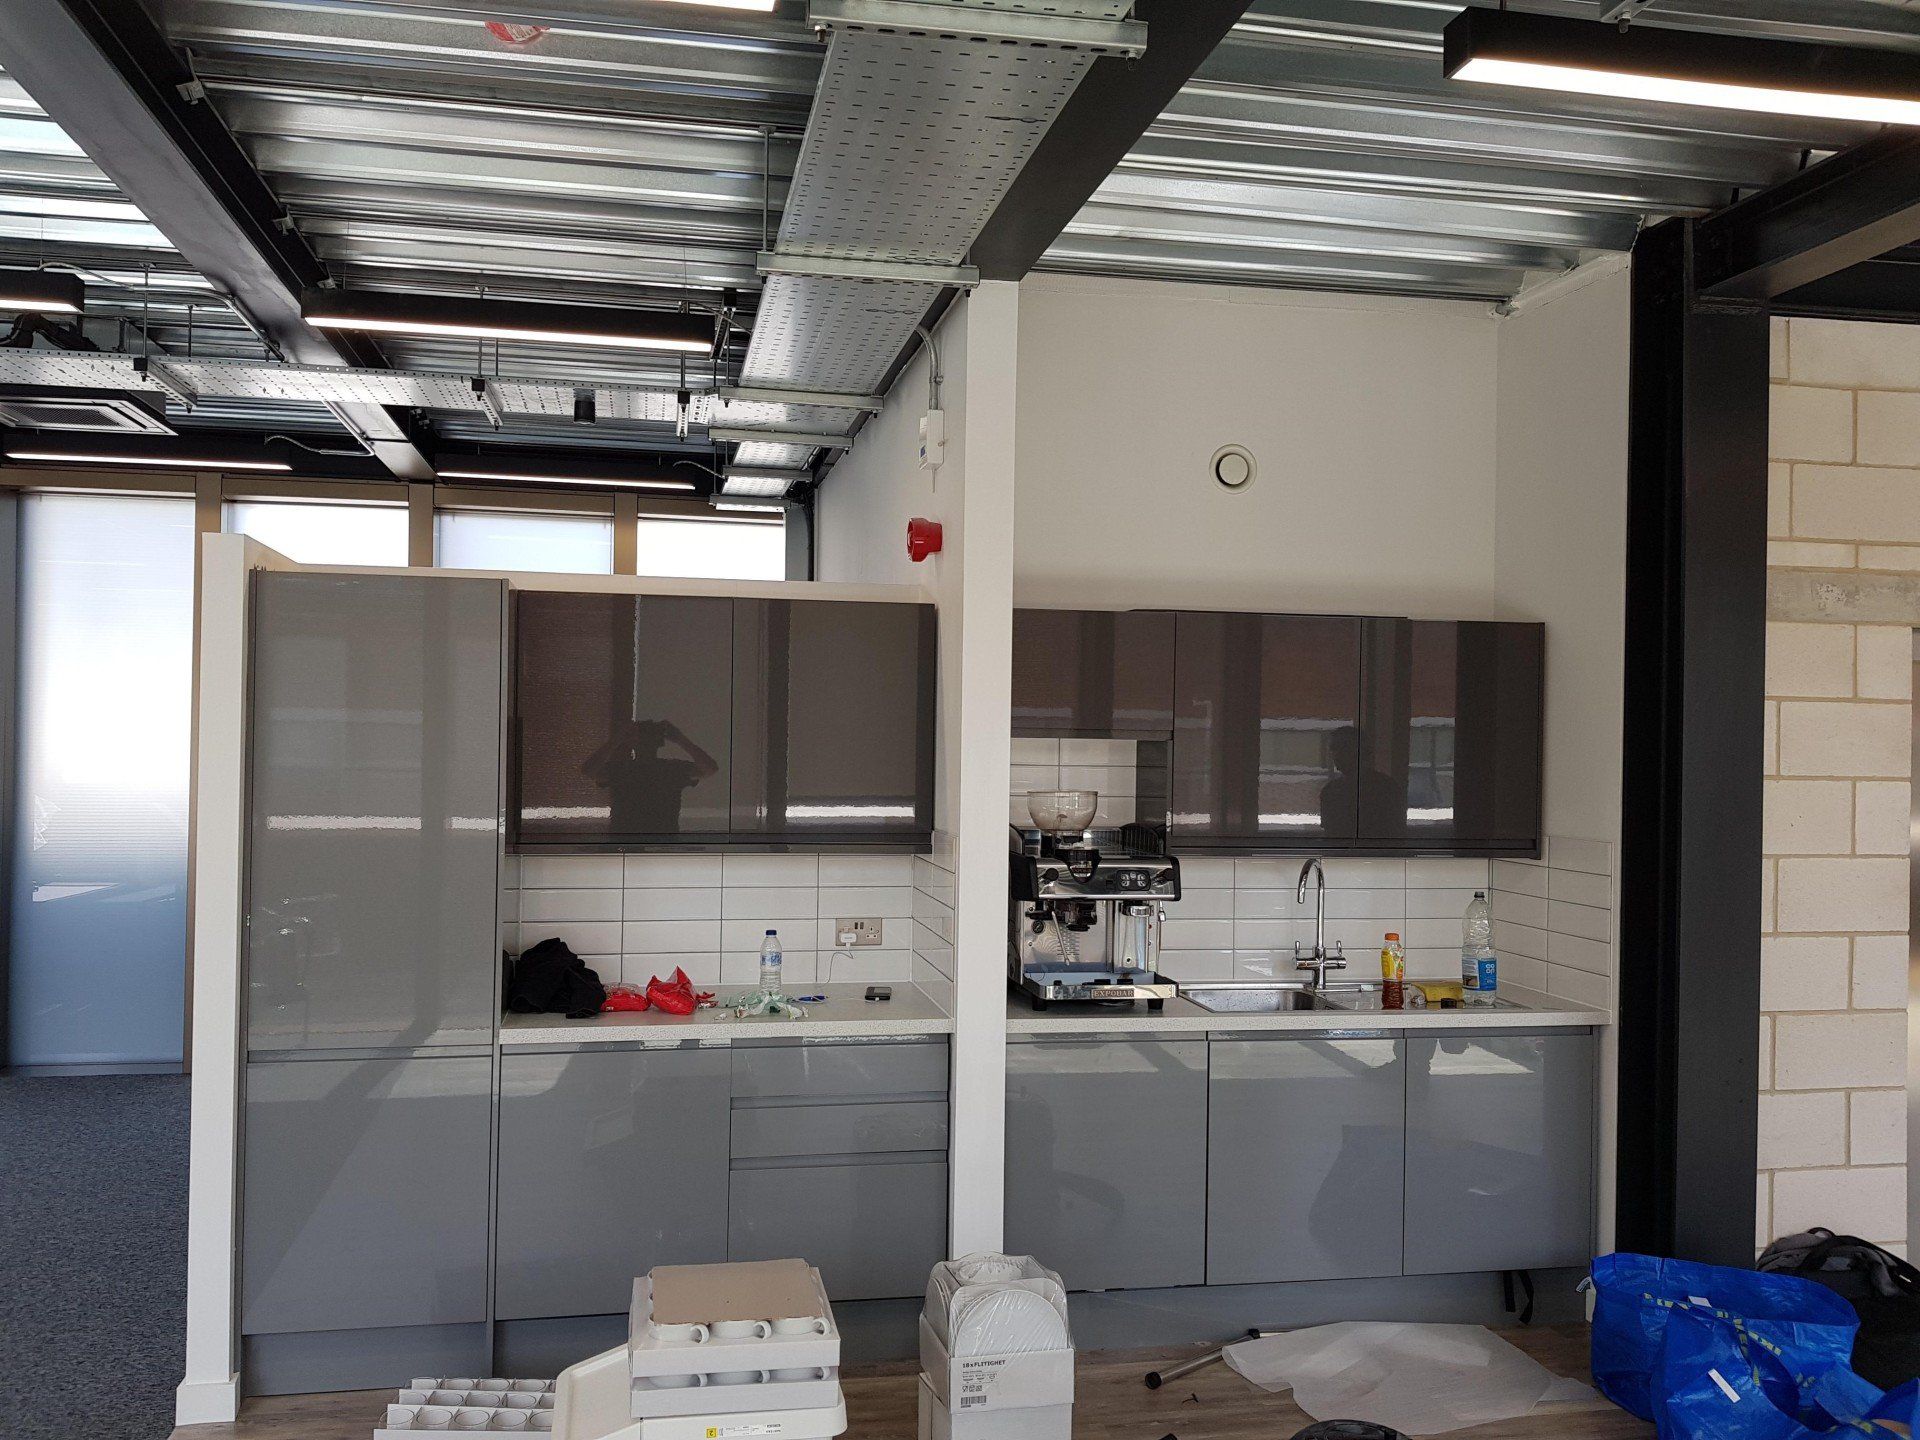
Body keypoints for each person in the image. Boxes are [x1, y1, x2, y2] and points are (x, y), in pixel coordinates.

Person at [583, 717, 718, 834]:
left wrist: (618, 739)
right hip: (647, 843)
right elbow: (709, 769)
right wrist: (680, 739)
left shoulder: (622, 768)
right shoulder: (671, 769)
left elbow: (709, 769)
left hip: (635, 843)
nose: (645, 739)